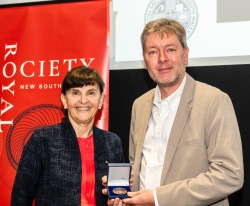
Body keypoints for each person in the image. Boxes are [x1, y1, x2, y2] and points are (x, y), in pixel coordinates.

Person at [121, 18, 244, 205]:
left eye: (170, 49)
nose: (162, 59)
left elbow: (229, 174)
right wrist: (122, 189)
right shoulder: (139, 105)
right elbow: (138, 167)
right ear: (145, 61)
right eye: (153, 52)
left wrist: (157, 198)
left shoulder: (214, 101)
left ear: (185, 55)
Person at [11, 66, 124, 206]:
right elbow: (21, 197)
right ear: (64, 100)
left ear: (101, 100)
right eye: (75, 93)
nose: (83, 100)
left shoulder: (112, 142)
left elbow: (119, 196)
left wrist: (118, 200)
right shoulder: (42, 139)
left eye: (91, 93)